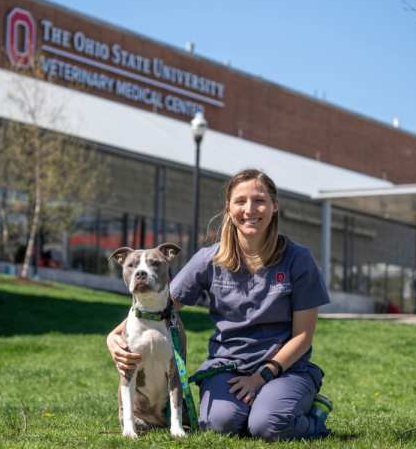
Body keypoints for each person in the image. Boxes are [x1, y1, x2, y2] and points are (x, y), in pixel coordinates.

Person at [107, 168, 332, 441]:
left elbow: (303, 337)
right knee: (218, 425)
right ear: (229, 208)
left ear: (275, 206)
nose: (250, 209)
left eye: (259, 200)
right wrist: (114, 336)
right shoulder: (208, 259)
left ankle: (314, 415)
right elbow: (161, 306)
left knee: (268, 426)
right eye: (240, 201)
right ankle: (257, 409)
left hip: (283, 369)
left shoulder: (299, 259)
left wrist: (261, 376)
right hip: (228, 367)